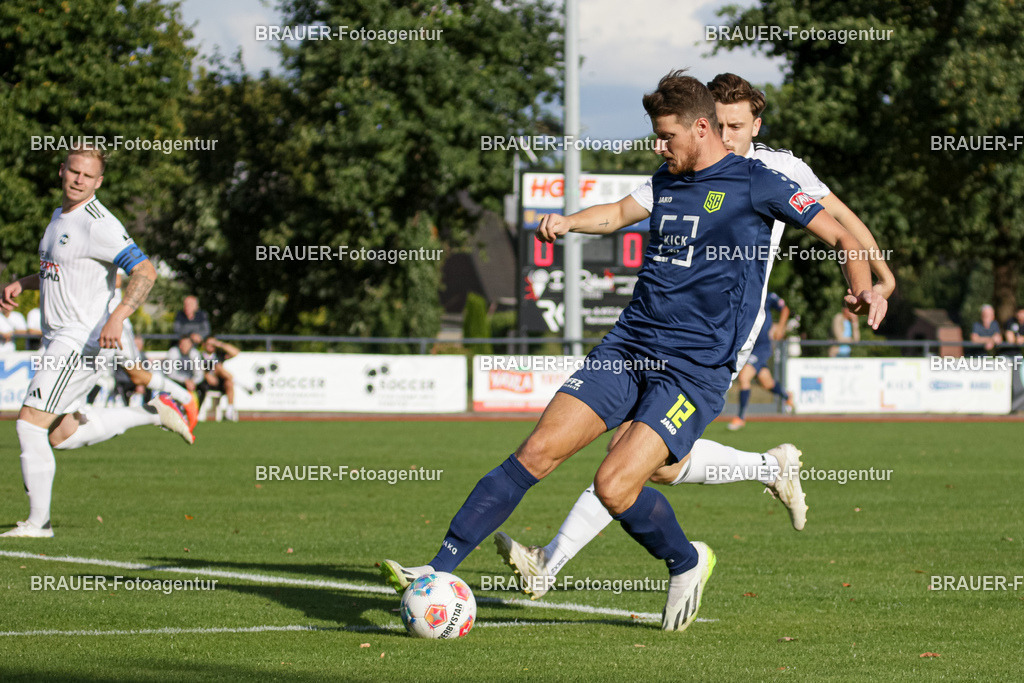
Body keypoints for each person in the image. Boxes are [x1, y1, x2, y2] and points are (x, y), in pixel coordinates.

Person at [379, 70, 885, 632]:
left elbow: (842, 235)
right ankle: (437, 567)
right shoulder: (668, 178)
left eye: (667, 136)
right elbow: (618, 214)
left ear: (700, 127)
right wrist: (569, 223)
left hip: (695, 371)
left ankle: (686, 562)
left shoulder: (757, 181)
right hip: (629, 345)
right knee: (537, 451)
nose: (658, 146)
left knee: (615, 485)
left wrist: (862, 287)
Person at [1, 145, 194, 539]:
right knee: (60, 434)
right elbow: (61, 273)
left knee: (29, 426)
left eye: (87, 176)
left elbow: (145, 270)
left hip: (79, 344)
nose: (78, 180)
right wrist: (23, 282)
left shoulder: (98, 222)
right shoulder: (60, 217)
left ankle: (39, 524)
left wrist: (119, 316)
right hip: (60, 340)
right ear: (62, 171)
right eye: (73, 172)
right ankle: (153, 413)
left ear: (98, 182)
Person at [728, 292, 793, 430]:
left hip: (761, 347)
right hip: (747, 346)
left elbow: (785, 309)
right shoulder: (742, 292)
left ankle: (740, 417)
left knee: (744, 377)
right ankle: (787, 396)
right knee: (766, 382)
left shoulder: (768, 295)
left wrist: (780, 328)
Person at [200, 337, 240, 421]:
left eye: (213, 344)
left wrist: (220, 344)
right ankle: (233, 378)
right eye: (209, 344)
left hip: (219, 382)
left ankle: (229, 410)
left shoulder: (218, 355)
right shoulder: (199, 356)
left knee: (228, 382)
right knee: (218, 367)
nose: (212, 346)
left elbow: (236, 352)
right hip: (204, 383)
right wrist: (206, 375)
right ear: (204, 345)